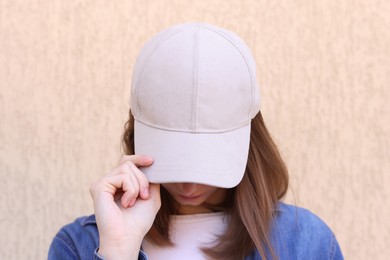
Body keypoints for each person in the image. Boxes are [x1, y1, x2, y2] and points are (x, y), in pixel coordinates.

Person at [49, 22, 343, 260]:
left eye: (207, 164)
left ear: (249, 141)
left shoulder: (307, 243)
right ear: (136, 134)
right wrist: (118, 250)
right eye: (174, 163)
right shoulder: (79, 247)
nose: (189, 187)